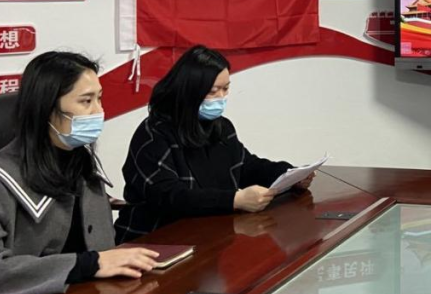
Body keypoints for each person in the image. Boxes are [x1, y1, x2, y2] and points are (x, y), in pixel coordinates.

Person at [0, 52, 159, 294]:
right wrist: (88, 264)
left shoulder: (81, 165)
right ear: (46, 109)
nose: (99, 111)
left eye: (99, 98)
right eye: (86, 101)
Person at [114, 45, 312, 242]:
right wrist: (234, 200)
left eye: (226, 89)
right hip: (154, 239)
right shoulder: (154, 133)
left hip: (206, 235)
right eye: (213, 91)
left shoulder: (221, 127)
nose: (221, 98)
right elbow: (168, 196)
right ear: (189, 91)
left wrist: (290, 175)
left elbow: (246, 166)